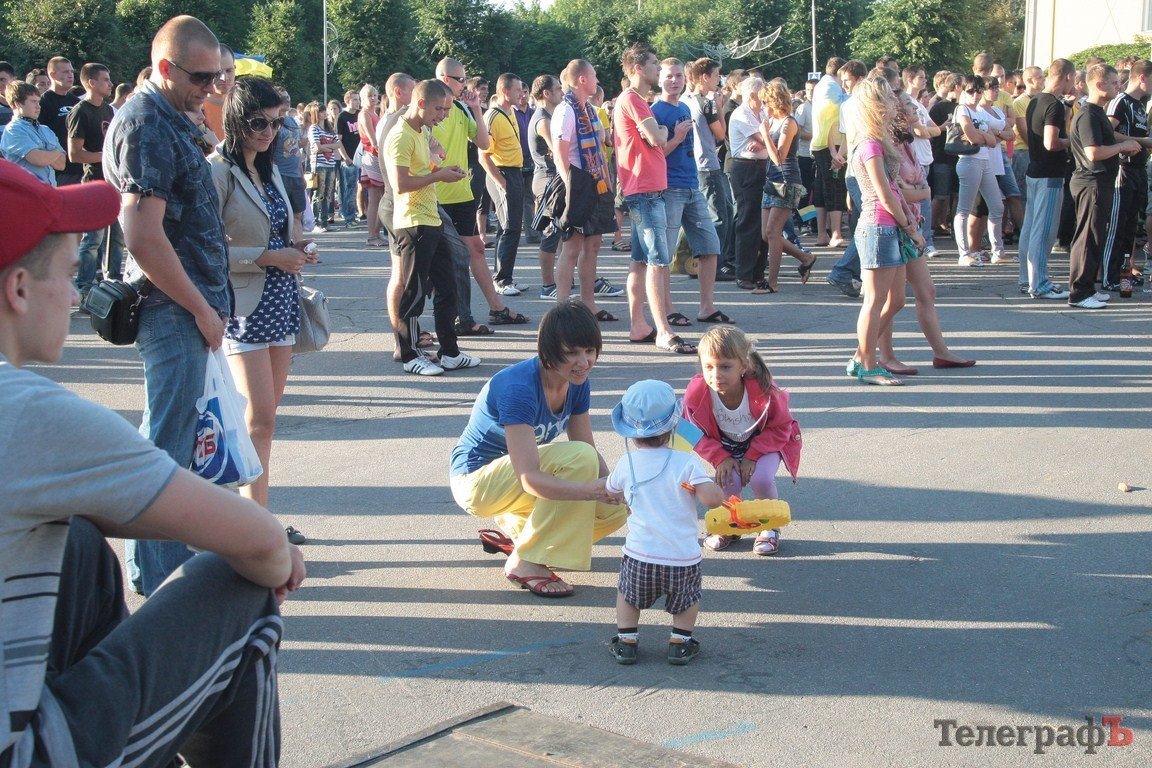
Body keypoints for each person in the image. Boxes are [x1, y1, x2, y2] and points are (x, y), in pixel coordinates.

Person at [0, 155, 306, 768]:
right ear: (19, 289)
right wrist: (276, 552)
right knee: (239, 583)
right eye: (70, 273)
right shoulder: (26, 414)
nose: (78, 294)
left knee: (78, 546)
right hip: (28, 754)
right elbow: (259, 542)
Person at [104, 15, 237, 595]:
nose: (212, 87)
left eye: (218, 76)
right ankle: (160, 580)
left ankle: (158, 564)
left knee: (171, 441)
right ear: (165, 67)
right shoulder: (146, 123)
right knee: (167, 449)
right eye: (202, 77)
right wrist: (202, 308)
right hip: (172, 307)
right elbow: (142, 234)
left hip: (185, 305)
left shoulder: (169, 115)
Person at [449, 301, 629, 597]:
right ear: (548, 352)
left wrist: (613, 488)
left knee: (614, 512)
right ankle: (526, 561)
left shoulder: (576, 381)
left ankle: (526, 537)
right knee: (580, 462)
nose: (584, 361)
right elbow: (529, 478)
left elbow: (587, 448)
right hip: (476, 482)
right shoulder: (519, 388)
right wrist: (588, 490)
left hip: (513, 485)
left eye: (589, 350)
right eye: (571, 352)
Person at [210, 76, 317, 540]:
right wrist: (268, 256)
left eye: (276, 122)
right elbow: (207, 249)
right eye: (258, 122)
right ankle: (249, 525)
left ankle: (258, 517)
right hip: (243, 305)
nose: (269, 131)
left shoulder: (267, 168)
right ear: (236, 120)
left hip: (280, 298)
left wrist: (297, 246)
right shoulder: (217, 170)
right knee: (255, 419)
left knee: (266, 420)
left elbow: (279, 230)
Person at [603, 380, 724, 666]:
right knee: (687, 601)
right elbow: (711, 500)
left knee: (628, 596)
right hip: (681, 557)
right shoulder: (686, 463)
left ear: (630, 433)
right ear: (674, 426)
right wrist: (712, 489)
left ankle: (626, 642)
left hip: (640, 555)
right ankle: (680, 643)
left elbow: (611, 490)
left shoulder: (627, 463)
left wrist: (624, 496)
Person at [383, 78, 480, 375]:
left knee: (448, 288)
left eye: (447, 109)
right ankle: (410, 355)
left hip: (431, 218)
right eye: (439, 109)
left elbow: (424, 168)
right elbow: (401, 184)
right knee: (414, 291)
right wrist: (439, 177)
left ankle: (450, 352)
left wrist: (442, 170)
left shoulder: (422, 130)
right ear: (421, 103)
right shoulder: (401, 135)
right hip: (413, 223)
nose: (444, 115)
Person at [682, 326, 802, 556]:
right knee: (729, 480)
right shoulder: (697, 392)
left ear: (743, 366)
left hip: (765, 443)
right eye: (709, 367)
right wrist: (720, 457)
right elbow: (689, 431)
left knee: (761, 478)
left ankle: (769, 527)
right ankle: (730, 525)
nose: (716, 374)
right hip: (726, 447)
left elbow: (781, 427)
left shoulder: (764, 389)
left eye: (725, 367)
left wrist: (752, 455)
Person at [847, 76, 924, 385]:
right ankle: (867, 364)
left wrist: (909, 224)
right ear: (876, 105)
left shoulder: (879, 141)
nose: (895, 103)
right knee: (875, 300)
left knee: (896, 300)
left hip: (889, 226)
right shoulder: (869, 144)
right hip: (878, 226)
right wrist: (909, 226)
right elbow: (884, 194)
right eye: (889, 98)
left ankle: (861, 356)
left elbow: (894, 189)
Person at [652, 58, 729, 323]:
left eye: (678, 76)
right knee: (665, 253)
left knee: (710, 245)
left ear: (685, 78)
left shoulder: (685, 107)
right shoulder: (655, 111)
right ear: (659, 79)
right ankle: (668, 310)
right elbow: (655, 154)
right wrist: (676, 138)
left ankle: (707, 307)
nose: (674, 81)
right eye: (669, 76)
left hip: (692, 183)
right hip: (670, 187)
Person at [1067, 64, 1141, 309]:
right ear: (1099, 85)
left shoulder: (1097, 112)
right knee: (1088, 238)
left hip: (1101, 182)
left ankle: (1088, 287)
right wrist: (1123, 146)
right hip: (1091, 182)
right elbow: (1093, 153)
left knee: (1096, 236)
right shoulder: (1088, 114)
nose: (1118, 86)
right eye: (1113, 83)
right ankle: (1079, 293)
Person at [552, 60, 621, 320]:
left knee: (592, 246)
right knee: (571, 247)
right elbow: (560, 155)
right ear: (582, 79)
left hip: (597, 184)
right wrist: (572, 190)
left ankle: (588, 303)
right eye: (593, 75)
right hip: (578, 186)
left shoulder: (590, 110)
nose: (597, 80)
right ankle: (561, 306)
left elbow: (602, 146)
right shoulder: (566, 110)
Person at [1018, 59, 1075, 300]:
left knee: (1031, 228)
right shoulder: (1053, 104)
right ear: (1068, 77)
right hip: (1049, 173)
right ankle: (1039, 283)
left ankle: (1027, 279)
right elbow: (1051, 142)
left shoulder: (1035, 100)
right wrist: (1074, 142)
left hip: (1035, 170)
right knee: (1044, 231)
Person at [67, 62, 125, 291]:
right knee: (93, 240)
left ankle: (112, 282)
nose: (110, 84)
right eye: (105, 80)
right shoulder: (80, 111)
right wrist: (105, 156)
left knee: (117, 238)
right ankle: (83, 286)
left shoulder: (109, 110)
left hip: (114, 182)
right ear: (91, 83)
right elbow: (74, 154)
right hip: (94, 183)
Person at [758, 78, 817, 293]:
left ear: (775, 102)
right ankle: (805, 257)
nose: (763, 107)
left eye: (766, 102)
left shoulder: (788, 123)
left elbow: (779, 157)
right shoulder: (773, 122)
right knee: (766, 234)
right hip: (771, 180)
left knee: (773, 232)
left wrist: (765, 135)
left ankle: (772, 283)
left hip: (786, 180)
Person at [1103, 59, 1152, 293]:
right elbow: (1107, 132)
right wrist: (1141, 141)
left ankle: (1124, 275)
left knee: (1130, 226)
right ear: (1142, 77)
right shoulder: (1120, 101)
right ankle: (1108, 276)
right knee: (1117, 225)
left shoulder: (1140, 105)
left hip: (1139, 168)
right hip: (1123, 168)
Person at [480, 74, 527, 293]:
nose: (522, 94)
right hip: (503, 173)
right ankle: (501, 280)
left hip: (514, 172)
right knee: (509, 227)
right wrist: (502, 183)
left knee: (511, 227)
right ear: (505, 91)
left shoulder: (511, 112)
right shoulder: (492, 116)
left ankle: (506, 275)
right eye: (517, 90)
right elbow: (483, 156)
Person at [951, 74, 1005, 266]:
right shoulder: (962, 109)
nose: (975, 95)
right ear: (963, 91)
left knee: (997, 206)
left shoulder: (980, 112)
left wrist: (980, 133)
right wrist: (982, 135)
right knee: (964, 209)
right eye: (970, 91)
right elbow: (972, 135)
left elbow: (992, 141)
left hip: (985, 161)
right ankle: (964, 253)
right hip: (969, 161)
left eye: (978, 91)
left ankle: (997, 251)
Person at [1, 81, 66, 184]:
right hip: (27, 191)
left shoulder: (45, 130)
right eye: (33, 101)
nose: (38, 106)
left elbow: (61, 165)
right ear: (18, 104)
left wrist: (45, 155)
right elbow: (38, 159)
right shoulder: (13, 130)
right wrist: (57, 153)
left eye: (38, 102)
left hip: (49, 189)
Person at [38, 56, 81, 185]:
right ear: (53, 75)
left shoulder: (76, 102)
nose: (70, 75)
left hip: (80, 167)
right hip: (58, 171)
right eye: (65, 72)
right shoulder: (42, 102)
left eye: (71, 71)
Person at [357, 84, 386, 247]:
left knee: (380, 197)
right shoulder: (364, 114)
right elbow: (373, 140)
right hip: (372, 155)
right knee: (375, 197)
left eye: (375, 95)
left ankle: (376, 233)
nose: (373, 98)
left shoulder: (374, 113)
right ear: (363, 98)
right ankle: (372, 235)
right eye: (369, 96)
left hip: (376, 155)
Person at [306, 101, 341, 232]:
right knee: (318, 193)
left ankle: (325, 222)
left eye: (324, 110)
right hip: (319, 164)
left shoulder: (329, 128)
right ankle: (315, 222)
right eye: (321, 111)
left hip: (330, 164)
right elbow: (316, 146)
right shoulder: (313, 128)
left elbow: (338, 144)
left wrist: (325, 148)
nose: (324, 113)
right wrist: (329, 148)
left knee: (328, 193)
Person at [335, 89, 361, 228]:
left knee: (360, 188)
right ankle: (349, 218)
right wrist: (345, 157)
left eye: (358, 99)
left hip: (361, 157)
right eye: (355, 99)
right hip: (349, 158)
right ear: (347, 101)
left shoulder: (360, 114)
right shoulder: (342, 117)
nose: (358, 102)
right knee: (350, 189)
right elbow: (338, 140)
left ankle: (357, 214)